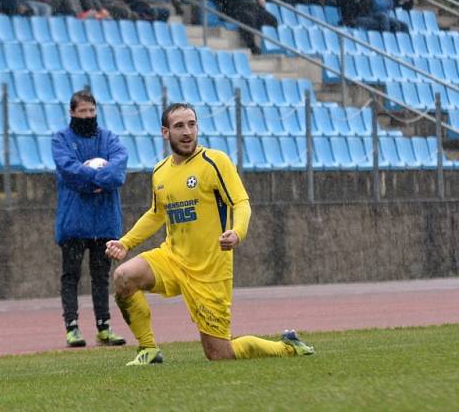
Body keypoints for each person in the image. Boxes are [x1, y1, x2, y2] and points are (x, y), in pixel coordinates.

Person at [105, 103, 316, 365]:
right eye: (179, 126)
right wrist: (125, 243)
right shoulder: (160, 171)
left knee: (219, 354)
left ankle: (288, 347)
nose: (187, 132)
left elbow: (241, 202)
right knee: (124, 277)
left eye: (192, 124)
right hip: (172, 258)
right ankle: (148, 349)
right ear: (164, 132)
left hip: (210, 271)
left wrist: (237, 233)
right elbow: (156, 213)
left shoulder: (215, 162)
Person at [52, 90, 128, 348]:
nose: (88, 116)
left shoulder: (109, 138)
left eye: (91, 111)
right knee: (70, 275)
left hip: (104, 220)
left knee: (101, 276)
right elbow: (68, 170)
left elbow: (119, 169)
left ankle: (104, 326)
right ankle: (71, 326)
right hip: (74, 220)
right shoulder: (61, 139)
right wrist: (97, 181)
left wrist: (93, 179)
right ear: (72, 112)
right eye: (83, 111)